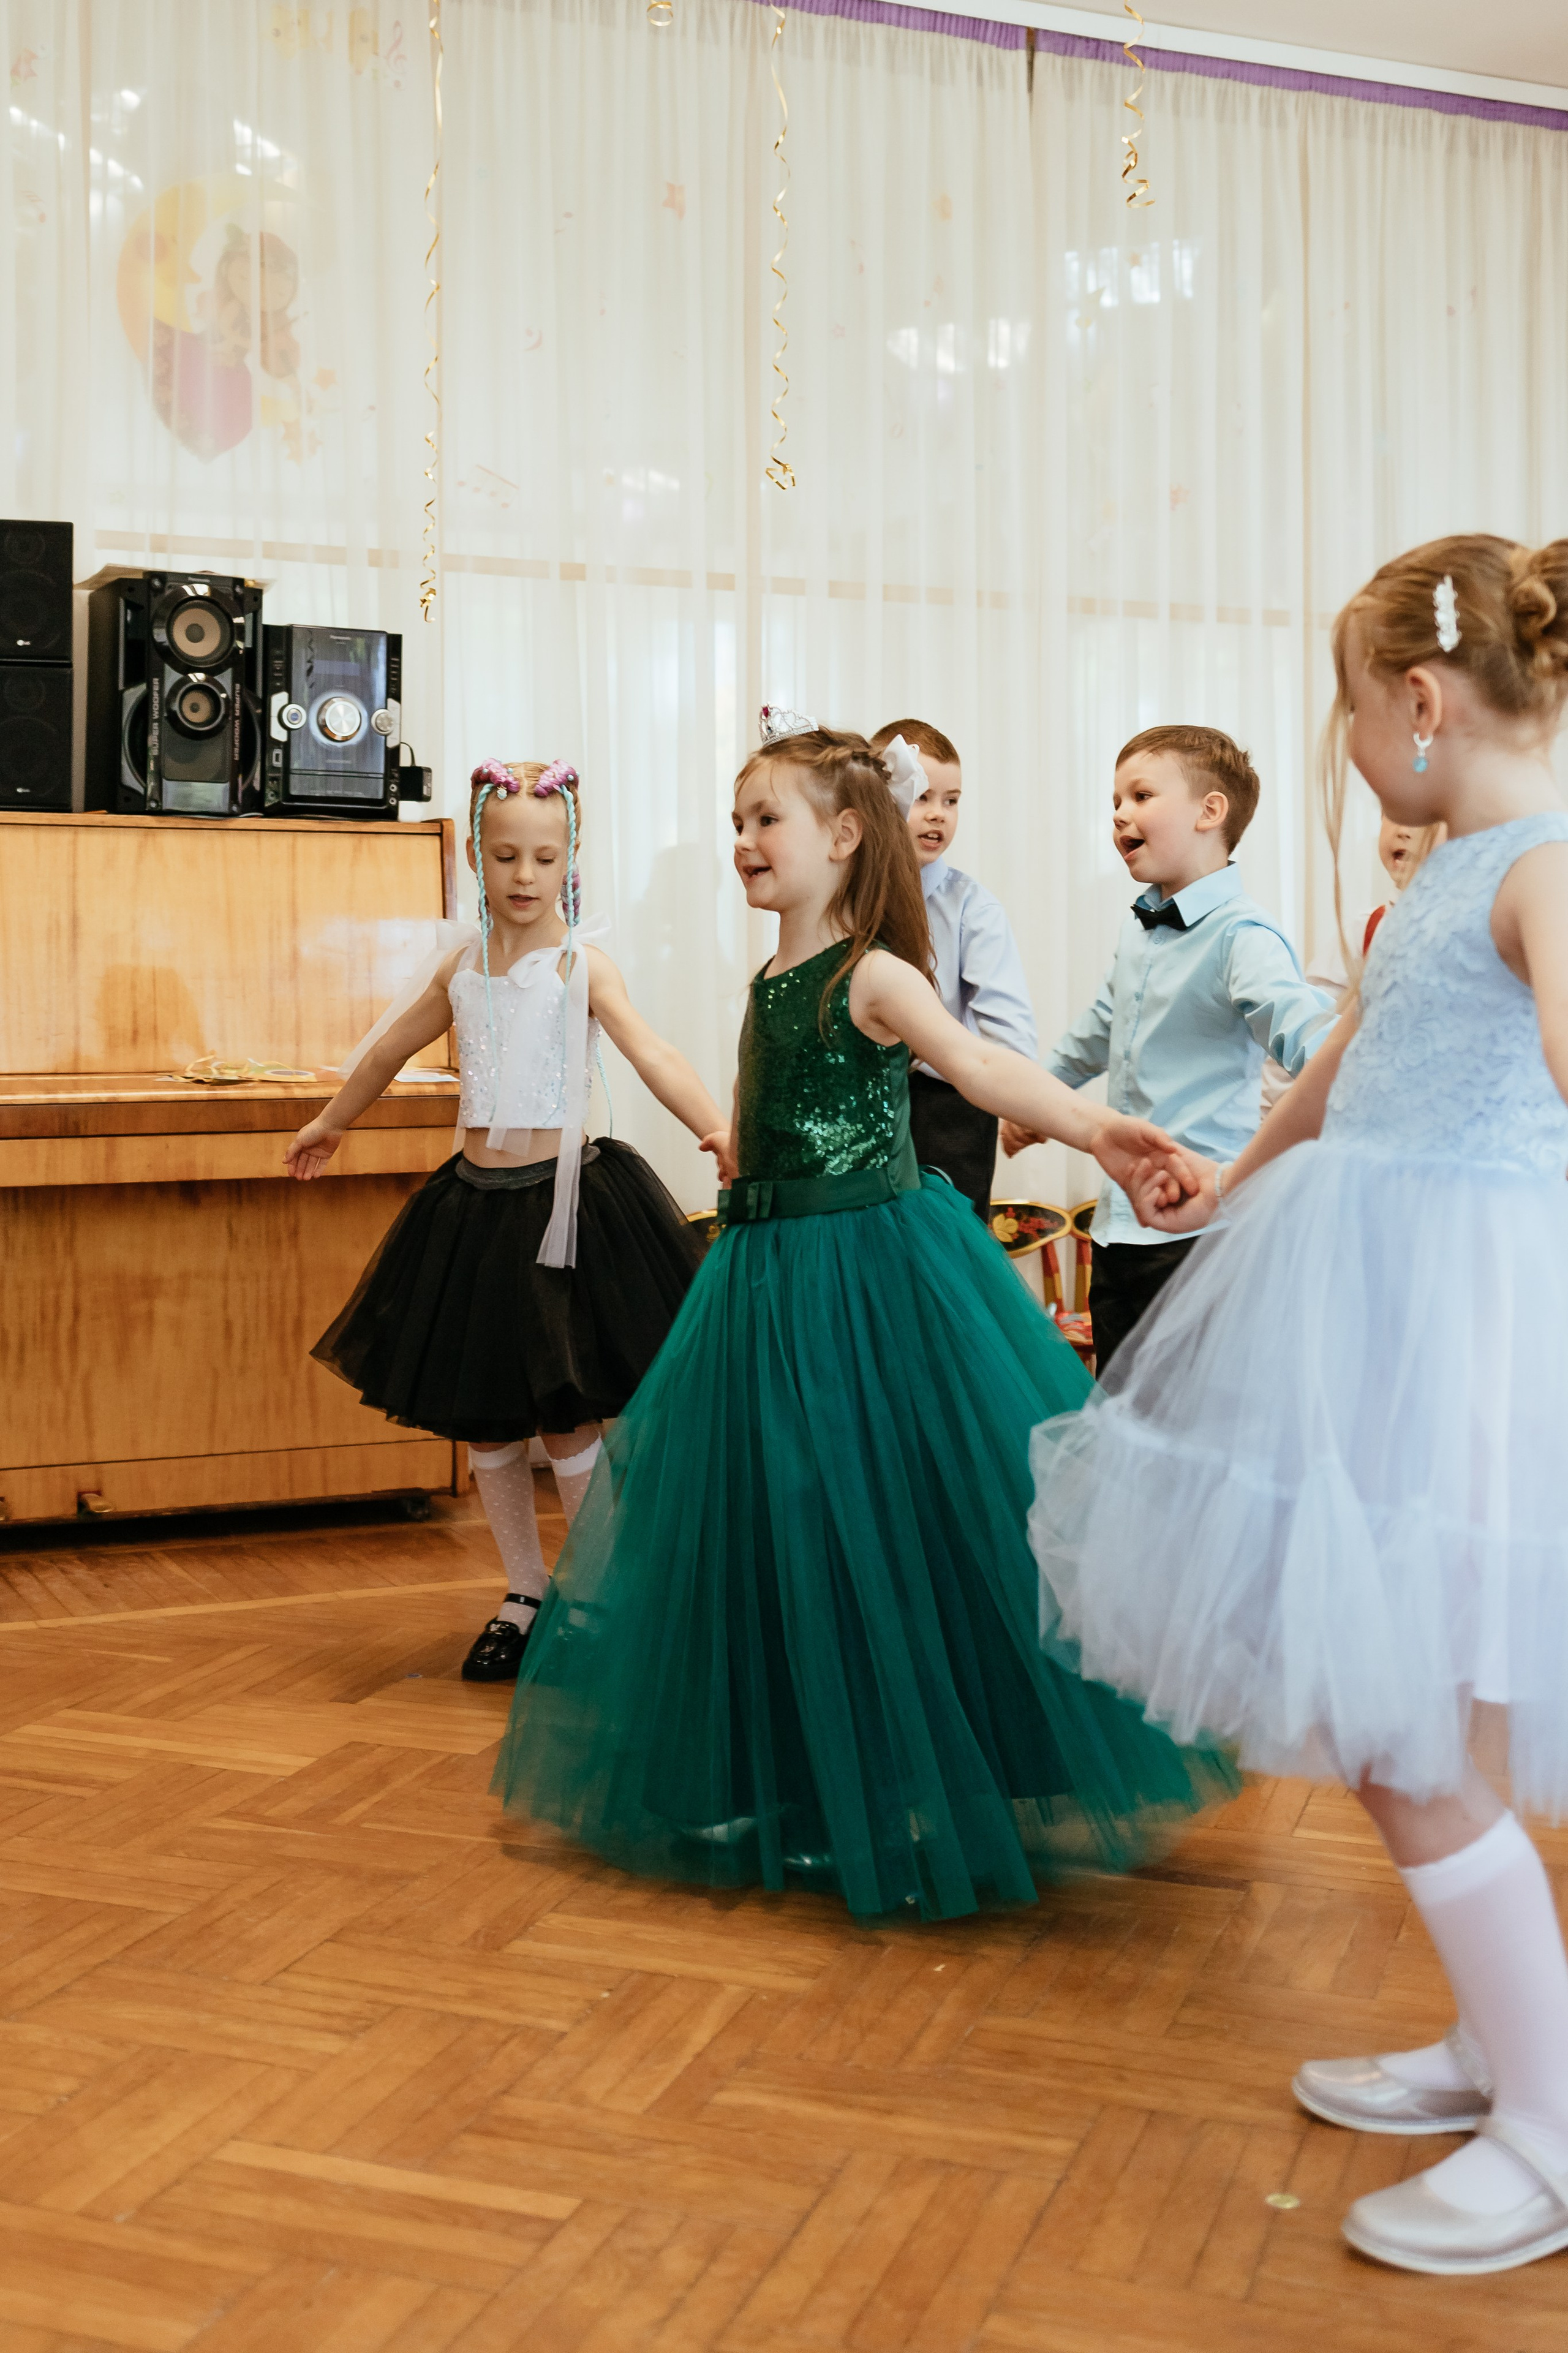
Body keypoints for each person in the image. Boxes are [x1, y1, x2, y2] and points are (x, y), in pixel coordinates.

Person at [1028, 535, 1568, 2276]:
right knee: (1451, 1718)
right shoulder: (1451, 867)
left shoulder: (1544, 868)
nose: (1340, 747)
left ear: (1417, 704)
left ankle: (1556, 2128)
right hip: (1384, 1295)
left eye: (1344, 713)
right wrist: (1242, 1177)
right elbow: (1348, 1058)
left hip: (1469, 1324)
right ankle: (1499, 2045)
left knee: (1410, 1740)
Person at [491, 717, 1236, 1924]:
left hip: (869, 1273)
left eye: (764, 820)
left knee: (877, 1517)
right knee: (771, 1517)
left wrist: (1096, 1129)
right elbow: (759, 1102)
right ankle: (786, 1773)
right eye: (735, 823)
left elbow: (978, 1066)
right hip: (764, 1275)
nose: (742, 841)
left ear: (841, 837)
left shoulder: (876, 972)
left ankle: (900, 1780)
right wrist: (737, 1155)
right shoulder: (769, 978)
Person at [287, 757, 725, 1683]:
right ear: (477, 861)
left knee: (566, 1422)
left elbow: (654, 1053)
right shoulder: (462, 966)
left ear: (571, 861)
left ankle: (601, 1598)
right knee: (488, 1424)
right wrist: (331, 1121)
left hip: (566, 1210)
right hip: (474, 1216)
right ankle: (525, 1593)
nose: (524, 875)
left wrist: (717, 1126)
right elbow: (389, 1050)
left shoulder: (582, 964)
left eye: (543, 857)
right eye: (504, 856)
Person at [1004, 725, 1333, 1375]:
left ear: (1211, 812)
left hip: (1198, 1234)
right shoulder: (1140, 932)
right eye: (1114, 802)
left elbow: (1311, 1040)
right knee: (1121, 1411)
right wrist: (1033, 1101)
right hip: (1118, 1227)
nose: (1120, 814)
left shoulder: (1244, 936)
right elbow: (1099, 1029)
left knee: (1191, 1427)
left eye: (1141, 795)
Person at [867, 717, 1037, 1220]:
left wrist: (928, 1047)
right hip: (859, 1110)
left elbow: (1012, 1038)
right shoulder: (842, 903)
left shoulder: (973, 910)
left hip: (949, 1115)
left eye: (952, 800)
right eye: (921, 796)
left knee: (944, 1256)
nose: (938, 815)